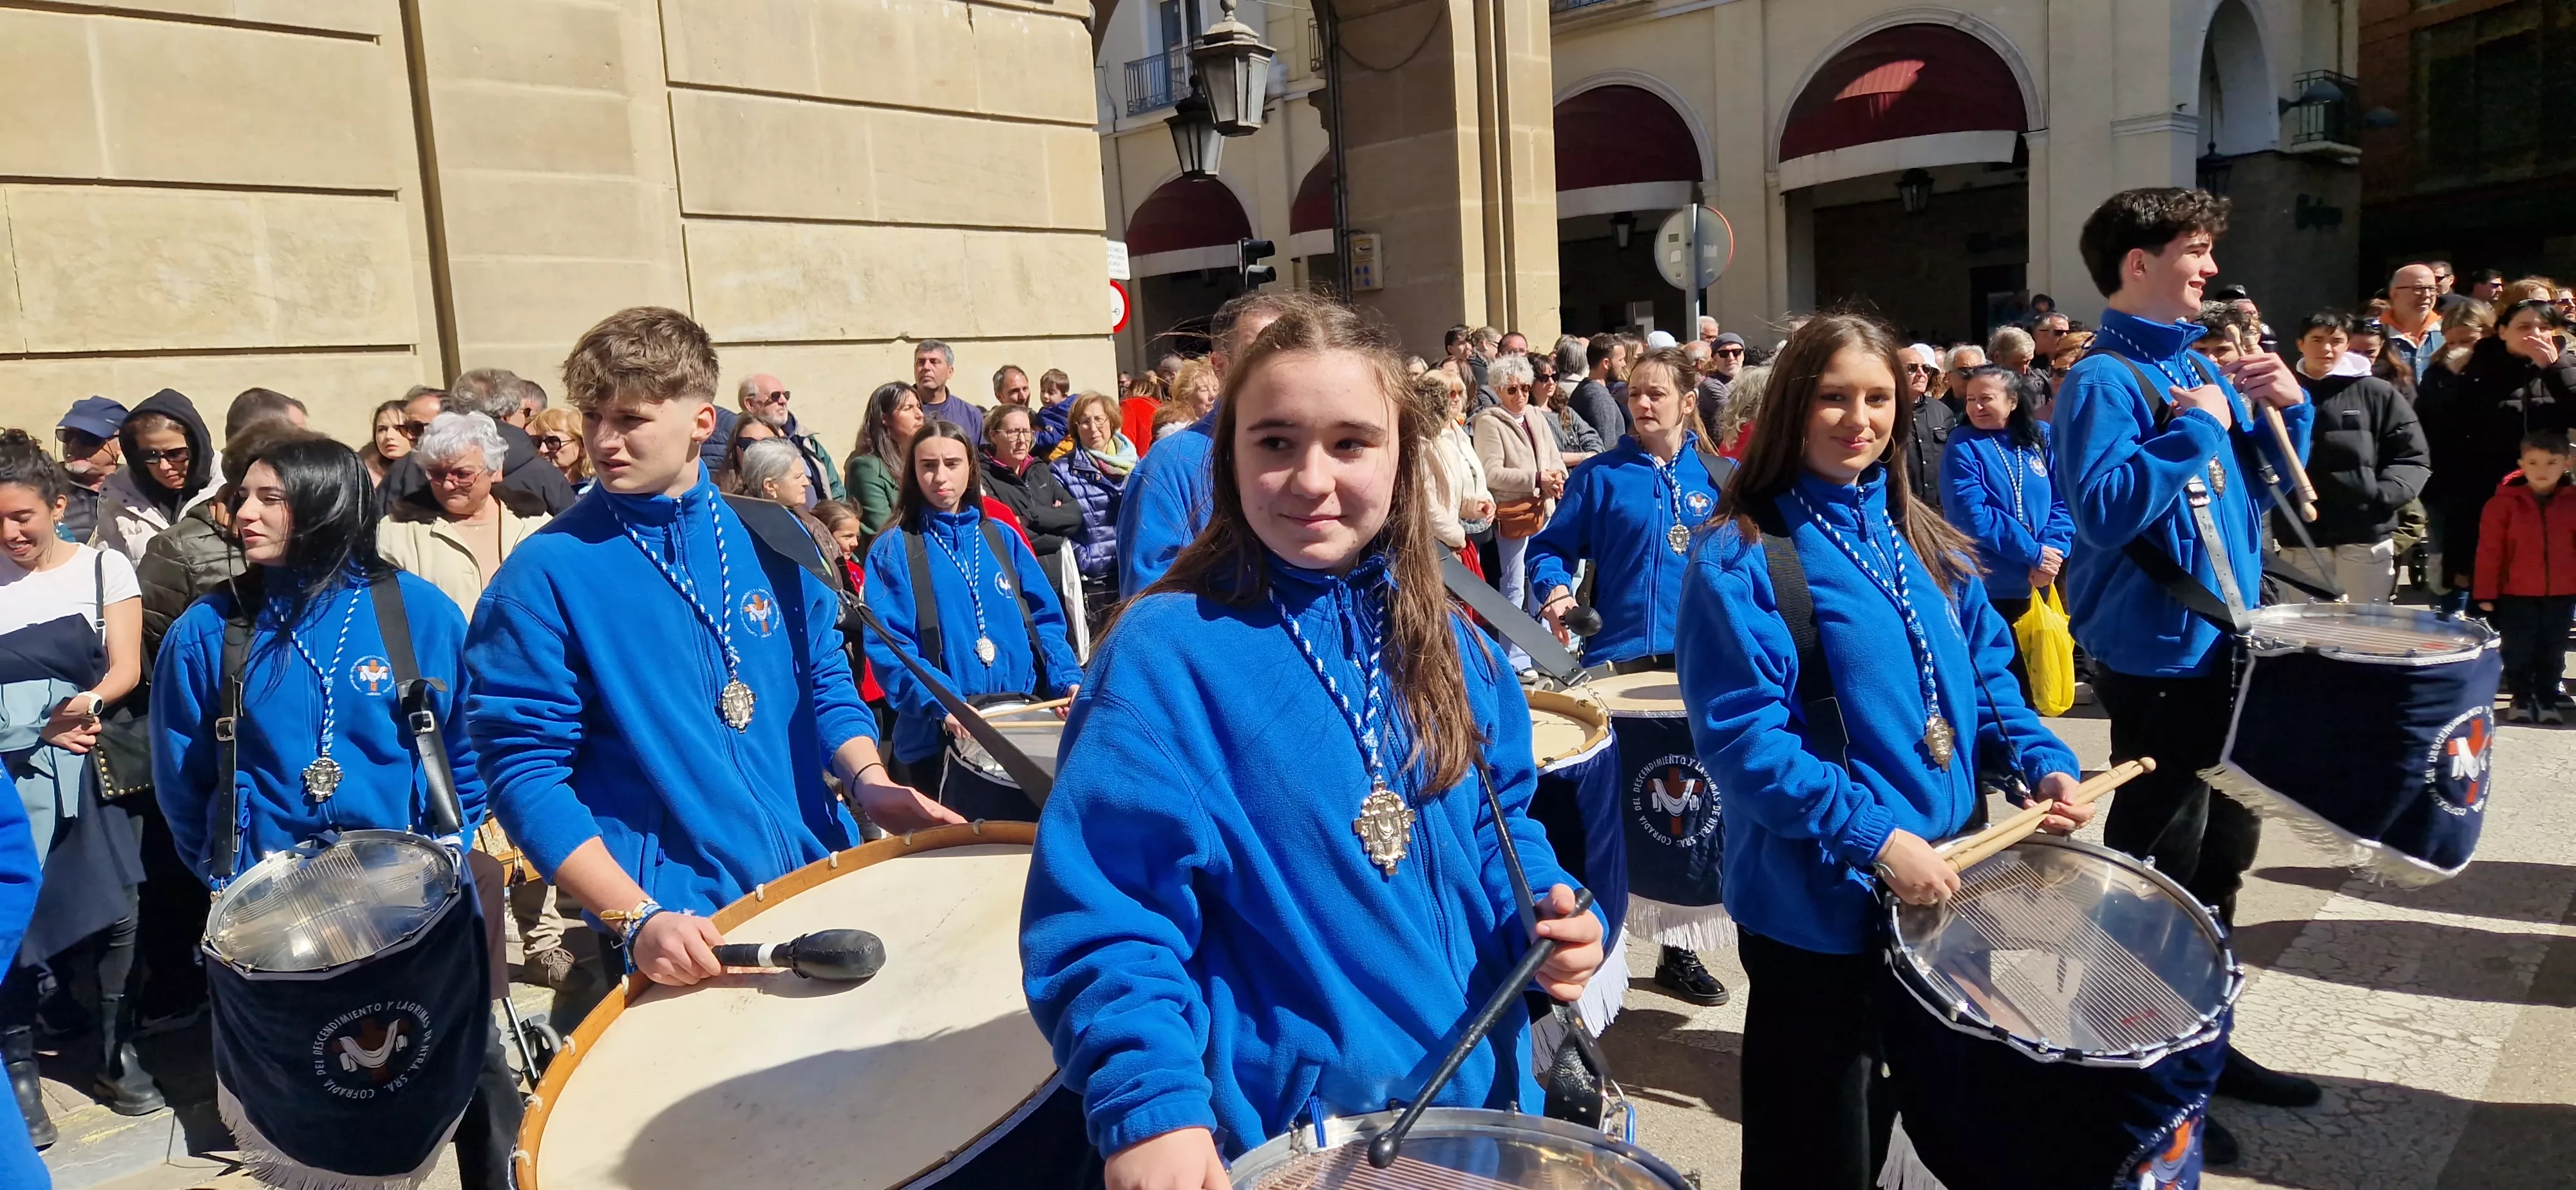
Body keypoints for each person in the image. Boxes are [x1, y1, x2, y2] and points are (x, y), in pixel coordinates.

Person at [1021, 298, 1604, 1182]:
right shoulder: (1164, 655)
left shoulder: (1456, 641)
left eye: (1350, 443)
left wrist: (1547, 910)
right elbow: (1110, 918)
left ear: (1402, 454)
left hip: (1481, 1113)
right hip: (1299, 1142)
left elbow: (1498, 824)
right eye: (1277, 442)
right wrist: (1150, 1110)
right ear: (1230, 456)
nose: (1311, 479)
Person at [1676, 312, 2087, 1190]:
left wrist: (2039, 758)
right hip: (1820, 912)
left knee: (1943, 1135)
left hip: (1947, 895)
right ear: (1791, 407)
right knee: (1821, 1154)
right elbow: (1744, 741)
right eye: (1833, 398)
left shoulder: (1924, 538)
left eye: (1877, 399)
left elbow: (1986, 677)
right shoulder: (1742, 553)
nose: (1858, 420)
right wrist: (1874, 838)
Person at [465, 307, 954, 994]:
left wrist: (871, 781)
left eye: (629, 418)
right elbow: (523, 774)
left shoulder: (778, 538)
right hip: (678, 931)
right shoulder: (540, 578)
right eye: (592, 416)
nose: (603, 439)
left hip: (818, 878)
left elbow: (822, 686)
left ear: (701, 421)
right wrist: (634, 914)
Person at [146, 433, 521, 1185]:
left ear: (326, 506)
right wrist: (237, 873)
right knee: (311, 1087)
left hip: (415, 897)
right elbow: (181, 779)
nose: (242, 514)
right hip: (278, 909)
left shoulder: (416, 613)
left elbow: (470, 739)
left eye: (269, 498)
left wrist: (441, 848)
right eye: (242, 496)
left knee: (467, 1062)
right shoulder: (208, 632)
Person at [2053, 188, 2318, 1158]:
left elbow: (2267, 503)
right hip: (2161, 662)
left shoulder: (2198, 366)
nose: (2208, 270)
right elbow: (2106, 509)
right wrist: (2202, 427)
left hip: (2226, 654)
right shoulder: (2104, 383)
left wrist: (2288, 409)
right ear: (2138, 263)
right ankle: (2138, 1072)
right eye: (2194, 252)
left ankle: (2207, 1039)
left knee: (2221, 862)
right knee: (2156, 874)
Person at [1528, 346, 1734, 1006]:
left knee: (1686, 814)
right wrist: (1555, 591)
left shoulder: (1724, 480)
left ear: (1685, 399)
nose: (1640, 404)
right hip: (1614, 666)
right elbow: (1550, 548)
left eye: (1654, 394)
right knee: (1614, 815)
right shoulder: (1601, 477)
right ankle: (1603, 954)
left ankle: (1680, 950)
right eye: (1633, 394)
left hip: (1697, 668)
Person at [0, 431, 160, 1146]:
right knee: (16, 917)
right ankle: (20, 1069)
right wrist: (35, 728)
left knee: (117, 911)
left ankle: (112, 1048)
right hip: (10, 774)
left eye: (22, 517)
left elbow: (125, 665)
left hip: (93, 767)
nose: (10, 534)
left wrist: (85, 706)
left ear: (58, 506)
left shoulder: (103, 568)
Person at [860, 421, 1080, 802]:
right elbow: (891, 649)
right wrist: (945, 704)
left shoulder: (1002, 537)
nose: (940, 476)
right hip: (938, 741)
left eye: (952, 463)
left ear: (971, 468)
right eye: (928, 465)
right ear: (913, 472)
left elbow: (1046, 621)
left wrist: (1067, 680)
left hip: (1020, 727)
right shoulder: (893, 549)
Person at [1115, 293, 1296, 595]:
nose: (1278, 365)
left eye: (1288, 349)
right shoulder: (1171, 465)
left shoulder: (1318, 451)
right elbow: (1150, 602)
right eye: (1258, 352)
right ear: (1219, 364)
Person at [2425, 300, 2576, 605]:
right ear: (2502, 332)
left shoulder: (2564, 368)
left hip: (2546, 494)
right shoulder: (2470, 369)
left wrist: (2554, 369)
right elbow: (2442, 430)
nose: (2535, 334)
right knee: (2485, 585)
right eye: (2524, 327)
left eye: (2544, 328)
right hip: (2483, 494)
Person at [2278, 311, 2429, 603]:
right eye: (2317, 340)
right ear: (2300, 344)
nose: (2327, 349)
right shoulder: (2282, 392)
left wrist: (2379, 497)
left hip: (2364, 531)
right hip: (2301, 531)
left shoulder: (2375, 392)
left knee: (2365, 624)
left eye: (2336, 341)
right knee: (2307, 628)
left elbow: (2412, 455)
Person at [1940, 364, 2073, 695]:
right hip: (1988, 583)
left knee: (2036, 686)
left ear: (2012, 401)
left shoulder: (2040, 436)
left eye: (1986, 398)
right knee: (1998, 688)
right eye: (1971, 399)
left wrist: (2052, 552)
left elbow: (2063, 499)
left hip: (2038, 579)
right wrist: (2035, 553)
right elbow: (1973, 515)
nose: (1976, 407)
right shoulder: (1963, 443)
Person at [377, 412, 554, 615]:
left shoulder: (535, 524)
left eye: (462, 475)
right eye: (437, 473)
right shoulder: (397, 534)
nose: (448, 484)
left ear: (495, 471)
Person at [1472, 354, 1567, 672]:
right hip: (1515, 514)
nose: (1521, 394)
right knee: (1513, 585)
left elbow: (1552, 456)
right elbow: (1491, 473)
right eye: (1513, 389)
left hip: (1545, 508)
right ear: (1499, 390)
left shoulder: (1535, 415)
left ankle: (1545, 650)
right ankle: (1513, 658)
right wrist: (1536, 479)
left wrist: (1555, 477)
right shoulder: (1489, 421)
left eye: (1526, 387)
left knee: (1543, 580)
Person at [2476, 431, 2576, 722]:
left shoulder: (2572, 504)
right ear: (2522, 464)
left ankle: (2546, 699)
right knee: (2519, 649)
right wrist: (2485, 593)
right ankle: (2521, 696)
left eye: (2551, 462)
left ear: (2566, 464)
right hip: (2516, 592)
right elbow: (2490, 552)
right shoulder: (2503, 504)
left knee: (2553, 650)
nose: (2542, 471)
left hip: (2561, 593)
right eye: (2533, 462)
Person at [383, 371, 579, 515]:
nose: (450, 485)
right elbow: (573, 537)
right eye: (437, 474)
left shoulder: (408, 466)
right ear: (507, 414)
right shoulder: (544, 474)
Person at [91, 389, 214, 564]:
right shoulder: (118, 499)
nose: (164, 467)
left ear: (196, 447)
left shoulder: (232, 489)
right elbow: (108, 571)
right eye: (150, 455)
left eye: (175, 454)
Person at [1054, 392, 1133, 625]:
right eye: (1085, 421)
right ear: (1076, 428)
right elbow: (1061, 524)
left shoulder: (1134, 462)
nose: (1093, 428)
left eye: (1099, 419)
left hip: (1131, 571)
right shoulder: (1062, 471)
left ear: (1112, 421)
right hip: (1097, 580)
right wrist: (1085, 558)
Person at [980, 404, 1084, 566]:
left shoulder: (1039, 469)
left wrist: (1030, 518)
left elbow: (1075, 515)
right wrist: (1058, 530)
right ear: (993, 436)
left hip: (1057, 579)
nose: (1022, 440)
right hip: (1018, 577)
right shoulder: (984, 478)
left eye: (1027, 432)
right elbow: (1008, 535)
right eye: (1013, 432)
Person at [1418, 370, 1493, 565]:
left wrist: (1480, 504)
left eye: (1460, 393)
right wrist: (1457, 536)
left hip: (1459, 536)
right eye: (1450, 393)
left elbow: (1454, 493)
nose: (1456, 399)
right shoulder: (1424, 442)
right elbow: (1428, 505)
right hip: (1436, 544)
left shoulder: (1459, 434)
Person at [736, 375, 842, 506]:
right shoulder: (744, 442)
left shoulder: (804, 438)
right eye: (775, 396)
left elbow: (835, 487)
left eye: (786, 395)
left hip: (823, 520)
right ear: (750, 404)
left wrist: (838, 518)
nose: (783, 401)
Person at [846, 382, 927, 536]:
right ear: (885, 418)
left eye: (918, 406)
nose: (920, 415)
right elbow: (882, 531)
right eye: (908, 408)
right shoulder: (866, 468)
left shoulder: (923, 460)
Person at [55, 399, 129, 545]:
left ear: (122, 444)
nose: (73, 445)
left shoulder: (141, 489)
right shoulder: (45, 488)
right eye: (67, 436)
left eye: (88, 438)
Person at [913, 340, 985, 444]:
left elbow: (983, 457)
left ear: (950, 372)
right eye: (921, 362)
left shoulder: (971, 416)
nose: (926, 367)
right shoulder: (898, 411)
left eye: (934, 362)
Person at [2383, 264, 2447, 379]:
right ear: (2394, 293)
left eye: (2432, 289)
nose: (2427, 295)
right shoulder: (2376, 334)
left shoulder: (2448, 332)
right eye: (2418, 289)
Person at [1567, 335, 1626, 444]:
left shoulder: (1584, 388)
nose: (1624, 364)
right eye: (1621, 360)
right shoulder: (1600, 399)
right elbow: (1607, 448)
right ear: (1606, 363)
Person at [526, 406, 593, 491]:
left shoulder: (599, 493)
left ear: (583, 446)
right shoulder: (533, 488)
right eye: (537, 441)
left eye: (553, 442)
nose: (543, 449)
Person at [361, 398, 415, 485]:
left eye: (398, 428)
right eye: (382, 430)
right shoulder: (362, 478)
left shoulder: (432, 474)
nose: (389, 436)